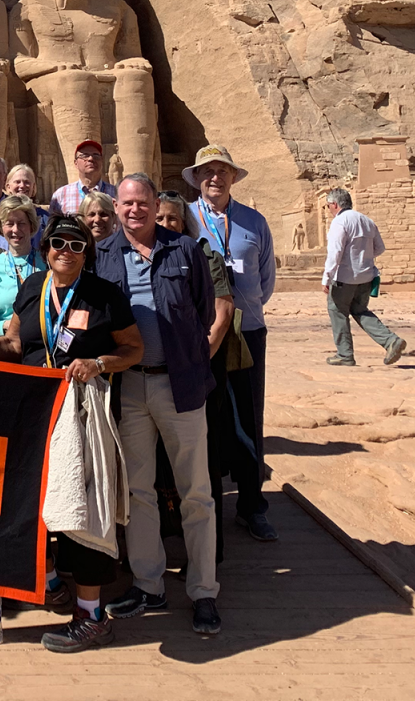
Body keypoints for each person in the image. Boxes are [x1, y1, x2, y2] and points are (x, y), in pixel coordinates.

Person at [0, 214, 143, 652]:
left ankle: (92, 615)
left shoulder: (103, 294)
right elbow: (17, 346)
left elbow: (133, 348)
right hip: (35, 410)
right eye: (58, 242)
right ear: (45, 248)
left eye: (77, 245)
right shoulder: (32, 288)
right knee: (32, 502)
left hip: (82, 413)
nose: (66, 250)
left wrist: (99, 364)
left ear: (86, 253)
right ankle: (51, 579)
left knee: (86, 507)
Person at [95, 174, 221, 637]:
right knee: (138, 492)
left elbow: (204, 313)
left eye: (142, 202)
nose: (135, 211)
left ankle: (204, 590)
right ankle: (149, 584)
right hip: (128, 386)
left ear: (155, 203)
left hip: (180, 384)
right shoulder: (104, 254)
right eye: (127, 203)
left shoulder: (185, 250)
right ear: (118, 207)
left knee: (197, 492)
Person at [183, 144, 278, 543]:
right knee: (200, 418)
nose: (214, 178)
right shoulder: (186, 218)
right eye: (207, 172)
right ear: (198, 179)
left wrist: (244, 310)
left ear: (233, 177)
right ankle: (205, 508)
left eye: (222, 171)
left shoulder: (254, 222)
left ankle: (252, 505)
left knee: (248, 418)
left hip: (247, 330)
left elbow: (267, 279)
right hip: (201, 331)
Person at [155, 191, 235, 566]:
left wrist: (197, 356)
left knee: (202, 462)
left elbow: (222, 310)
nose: (166, 225)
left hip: (198, 368)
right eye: (161, 219)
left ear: (185, 224)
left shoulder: (204, 254)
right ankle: (172, 540)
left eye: (173, 219)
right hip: (160, 370)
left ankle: (210, 550)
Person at [322, 187, 407, 366]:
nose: (328, 210)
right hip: (366, 277)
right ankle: (390, 341)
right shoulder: (367, 220)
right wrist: (364, 257)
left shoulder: (340, 222)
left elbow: (335, 252)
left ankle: (345, 354)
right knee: (360, 311)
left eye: (328, 206)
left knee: (337, 311)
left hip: (345, 278)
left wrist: (326, 277)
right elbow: (380, 248)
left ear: (335, 204)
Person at [0, 195, 40, 335]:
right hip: (6, 344)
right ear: (1, 227)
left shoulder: (46, 263)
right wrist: (5, 325)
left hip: (42, 344)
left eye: (21, 223)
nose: (15, 230)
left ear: (31, 226)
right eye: (9, 224)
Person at [49, 140, 117, 216]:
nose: (91, 158)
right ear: (76, 163)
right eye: (85, 155)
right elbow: (52, 226)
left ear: (102, 161)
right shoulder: (60, 195)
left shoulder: (116, 193)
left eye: (96, 155)